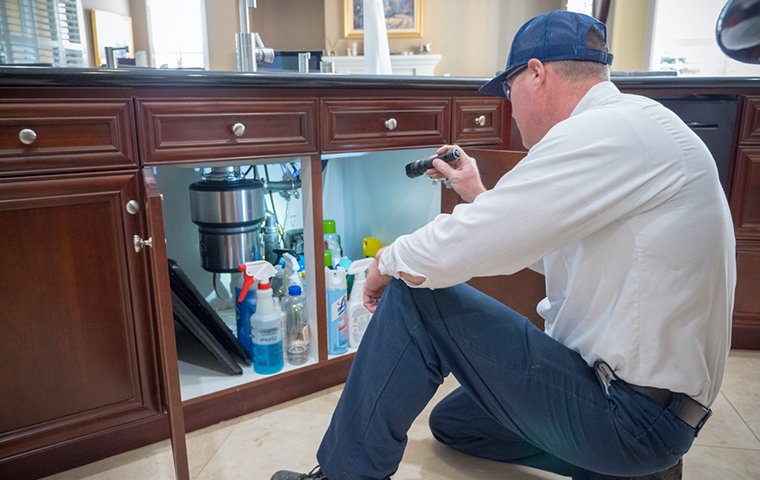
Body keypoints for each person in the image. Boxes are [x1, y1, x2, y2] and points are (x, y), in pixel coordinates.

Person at [272, 10, 735, 480]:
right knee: (456, 423)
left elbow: (468, 247)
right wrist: (476, 193)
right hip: (656, 413)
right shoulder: (636, 125)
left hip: (628, 417)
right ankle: (626, 472)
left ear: (536, 73)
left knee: (416, 297)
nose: (510, 107)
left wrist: (385, 263)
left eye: (509, 90)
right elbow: (547, 245)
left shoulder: (600, 133)